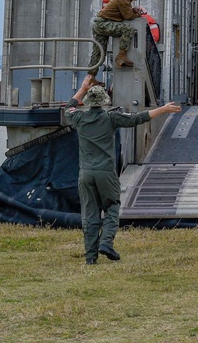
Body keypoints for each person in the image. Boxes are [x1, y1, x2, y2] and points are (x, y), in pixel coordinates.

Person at [66, 74, 182, 264]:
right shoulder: (111, 118)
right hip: (106, 172)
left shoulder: (78, 117)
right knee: (112, 207)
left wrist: (83, 88)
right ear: (104, 102)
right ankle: (106, 243)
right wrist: (162, 109)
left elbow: (68, 107)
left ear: (87, 102)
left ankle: (90, 257)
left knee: (89, 213)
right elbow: (138, 118)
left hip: (85, 172)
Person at [88, 0, 146, 73]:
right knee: (128, 29)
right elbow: (128, 16)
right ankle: (121, 56)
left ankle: (90, 76)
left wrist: (134, 10)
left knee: (99, 52)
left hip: (99, 23)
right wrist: (140, 13)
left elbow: (124, 12)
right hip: (104, 23)